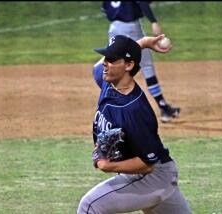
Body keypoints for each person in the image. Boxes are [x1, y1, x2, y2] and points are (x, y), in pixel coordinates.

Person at [77, 34, 191, 214]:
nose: (105, 63)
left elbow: (147, 163)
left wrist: (108, 166)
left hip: (153, 177)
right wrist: (143, 43)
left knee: (89, 206)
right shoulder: (109, 83)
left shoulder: (135, 110)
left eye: (112, 59)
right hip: (155, 175)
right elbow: (96, 68)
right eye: (106, 57)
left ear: (128, 66)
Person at [99, 1, 180, 123]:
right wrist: (154, 21)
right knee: (147, 67)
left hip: (113, 29)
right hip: (131, 28)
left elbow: (105, 9)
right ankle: (164, 109)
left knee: (115, 68)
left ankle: (111, 110)